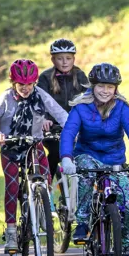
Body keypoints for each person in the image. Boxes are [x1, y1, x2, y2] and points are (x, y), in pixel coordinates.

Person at [60, 63, 129, 256]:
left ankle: (126, 251)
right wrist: (67, 159)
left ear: (116, 89)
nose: (105, 90)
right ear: (92, 86)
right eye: (101, 86)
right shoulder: (81, 107)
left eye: (110, 87)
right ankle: (82, 222)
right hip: (88, 156)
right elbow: (68, 133)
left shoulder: (122, 108)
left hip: (114, 161)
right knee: (84, 171)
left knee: (128, 205)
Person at [0, 59, 69, 253]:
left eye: (30, 84)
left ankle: (43, 211)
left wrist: (70, 128)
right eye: (21, 84)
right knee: (13, 186)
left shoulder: (41, 95)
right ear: (13, 83)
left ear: (35, 83)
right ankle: (12, 232)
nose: (26, 88)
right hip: (11, 148)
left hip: (34, 144)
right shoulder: (5, 98)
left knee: (47, 177)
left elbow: (60, 113)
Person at [37, 38, 89, 174]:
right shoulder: (45, 77)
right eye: (60, 58)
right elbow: (39, 101)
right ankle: (45, 185)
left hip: (76, 126)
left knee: (83, 154)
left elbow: (89, 100)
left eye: (68, 58)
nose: (65, 62)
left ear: (74, 59)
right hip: (52, 128)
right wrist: (43, 118)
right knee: (56, 152)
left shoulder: (80, 76)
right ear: (53, 60)